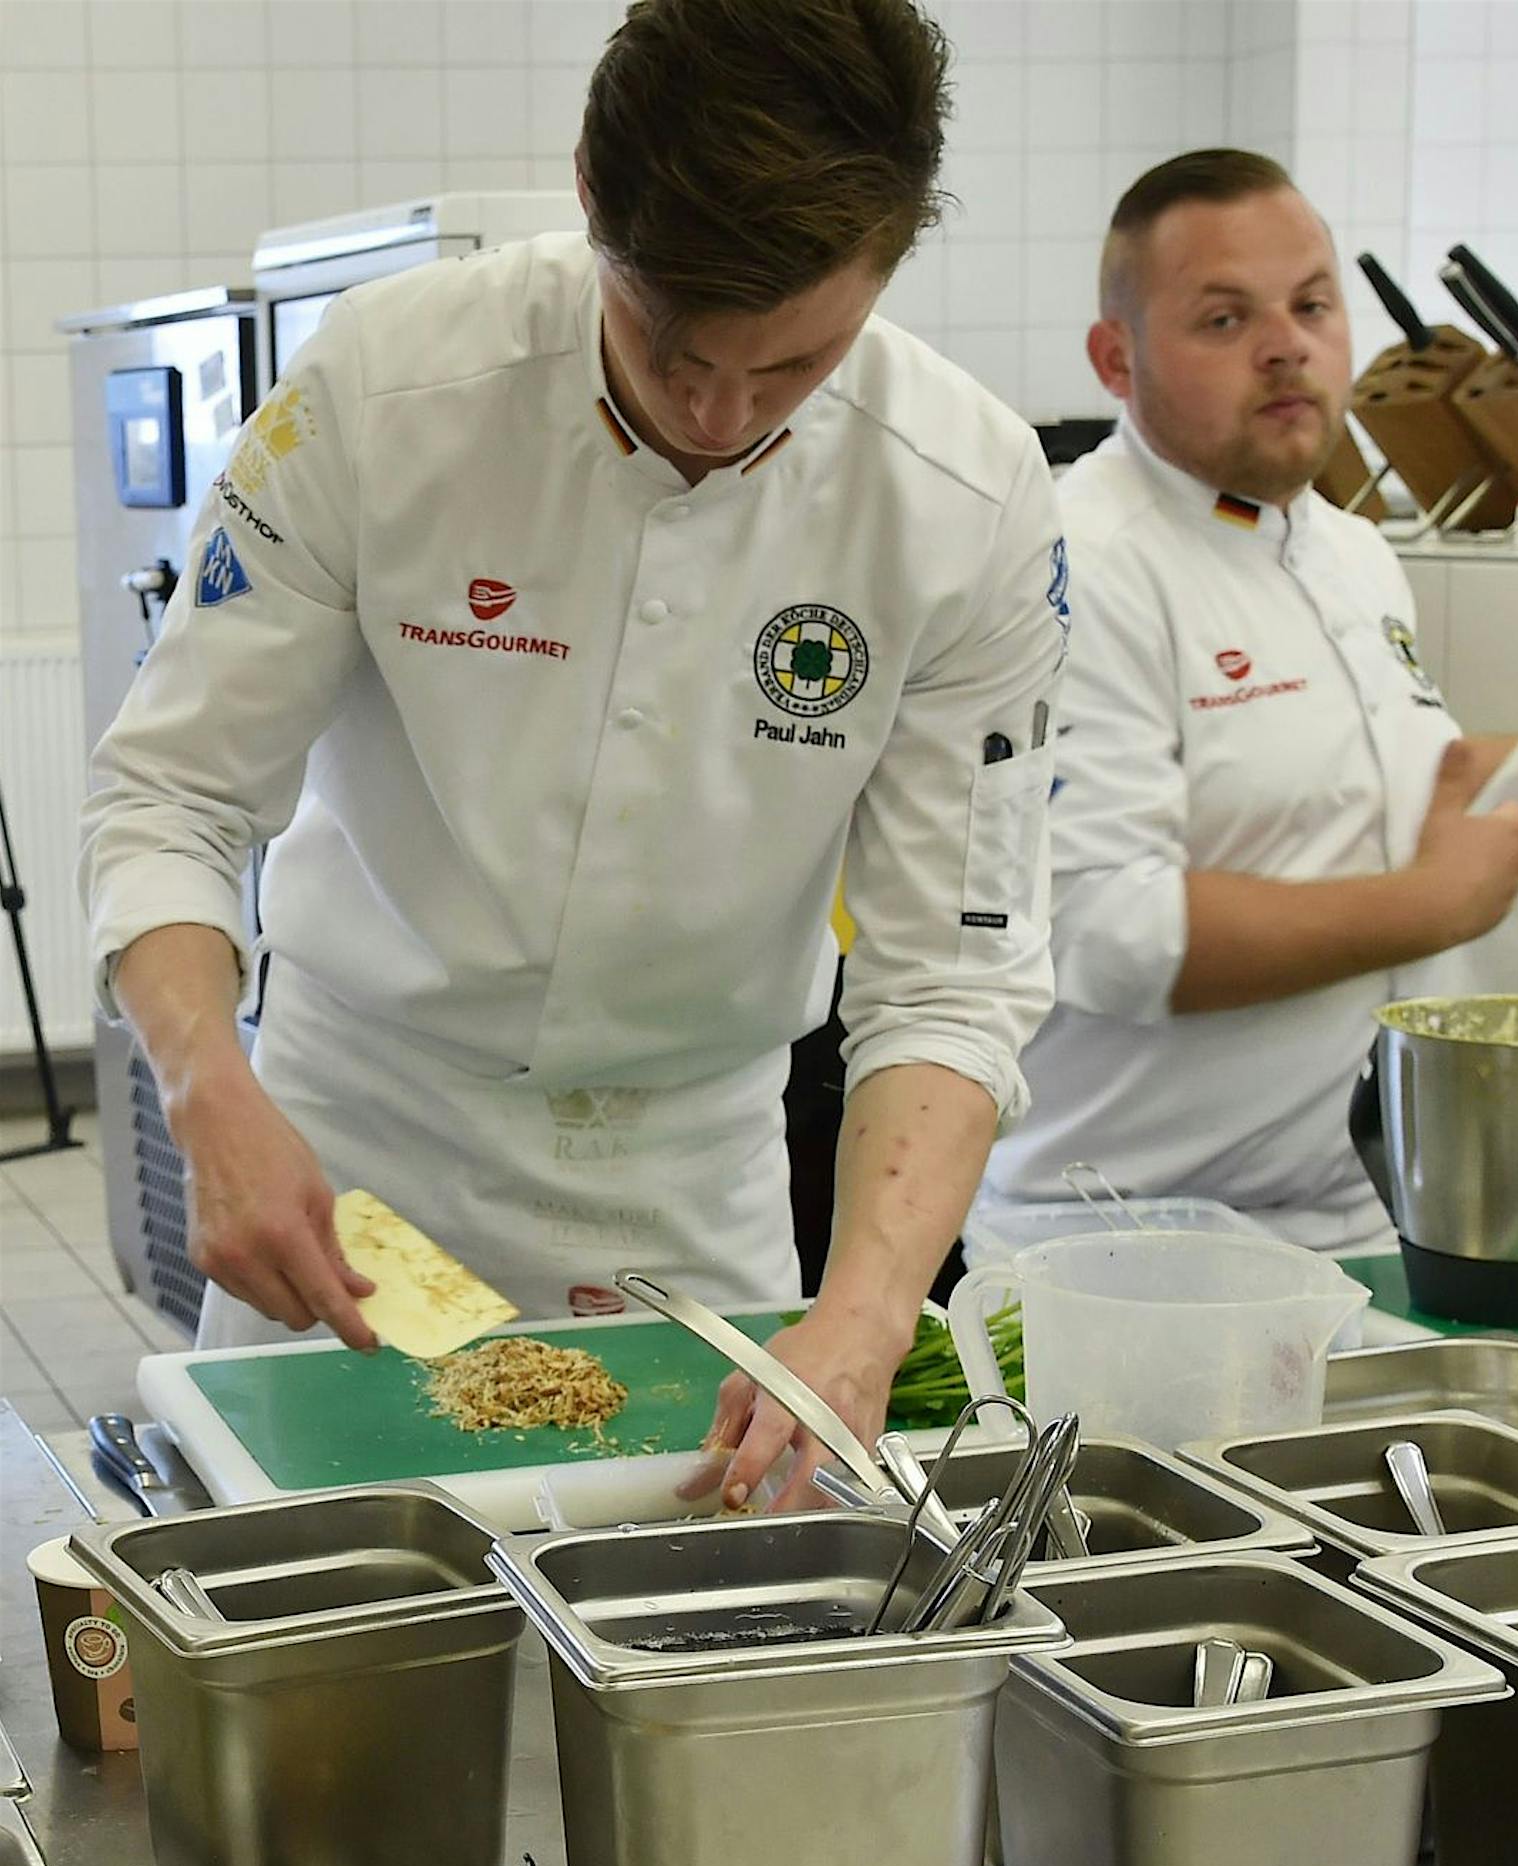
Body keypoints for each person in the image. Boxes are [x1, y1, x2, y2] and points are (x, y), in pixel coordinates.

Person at [79, 0, 1065, 1509]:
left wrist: (867, 1305)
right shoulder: (386, 390)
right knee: (340, 1666)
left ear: (890, 262)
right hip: (358, 1172)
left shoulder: (967, 496)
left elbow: (959, 962)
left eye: (794, 364)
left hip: (694, 1205)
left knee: (690, 1669)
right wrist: (210, 1089)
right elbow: (171, 793)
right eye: (673, 347)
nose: (720, 416)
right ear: (594, 197)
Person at [982, 150, 1518, 1252]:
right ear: (1116, 357)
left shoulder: (1347, 550)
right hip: (1119, 1242)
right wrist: (1430, 906)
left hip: (1350, 1222)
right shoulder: (1082, 563)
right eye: (1221, 318)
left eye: (1309, 304)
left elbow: (1386, 777)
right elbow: (1114, 932)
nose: (1285, 344)